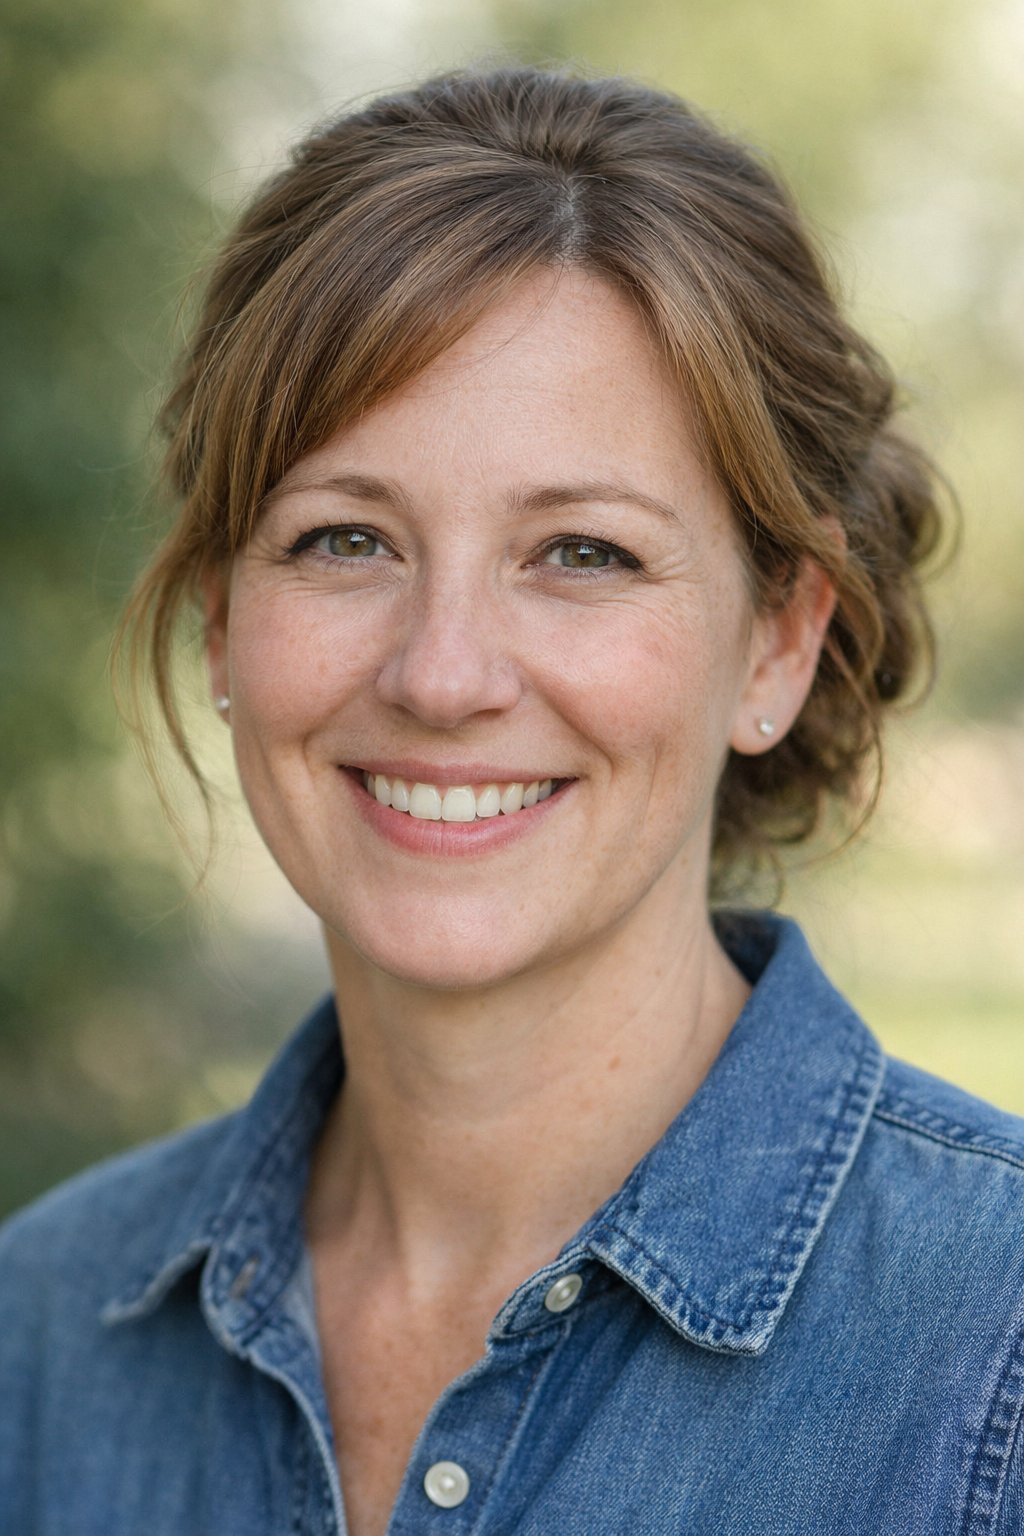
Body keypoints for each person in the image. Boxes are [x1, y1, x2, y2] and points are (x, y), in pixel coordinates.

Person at [1, 64, 1022, 1536]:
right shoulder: (45, 1331)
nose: (442, 674)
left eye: (583, 553)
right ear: (222, 619)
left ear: (778, 642)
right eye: (345, 539)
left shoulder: (995, 1346)